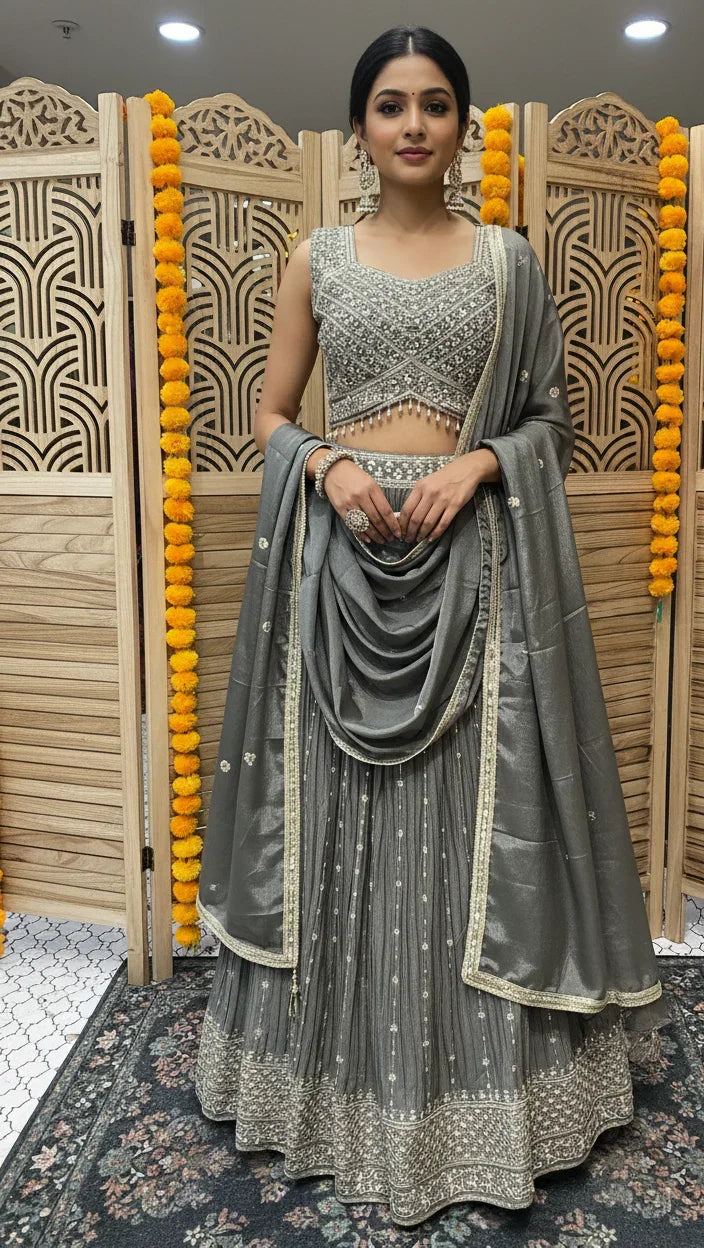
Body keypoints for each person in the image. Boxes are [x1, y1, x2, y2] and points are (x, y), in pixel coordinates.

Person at [193, 23, 671, 1227]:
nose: (414, 124)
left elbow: (554, 422)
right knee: (345, 829)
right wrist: (321, 471)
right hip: (342, 576)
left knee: (470, 837)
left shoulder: (511, 262)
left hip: (476, 578)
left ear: (464, 125)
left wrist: (484, 467)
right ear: (359, 126)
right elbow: (269, 407)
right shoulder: (317, 258)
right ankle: (329, 1092)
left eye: (437, 104)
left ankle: (492, 1095)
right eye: (391, 104)